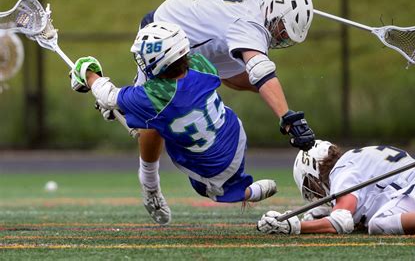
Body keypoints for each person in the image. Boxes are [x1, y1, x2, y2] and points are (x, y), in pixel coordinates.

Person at [129, 0, 317, 224]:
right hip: (164, 40)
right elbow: (261, 70)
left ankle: (127, 104)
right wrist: (287, 118)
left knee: (245, 78)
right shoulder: (250, 23)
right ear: (273, 10)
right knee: (155, 117)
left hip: (200, 46)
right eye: (280, 28)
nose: (279, 36)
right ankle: (149, 183)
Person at [71, 21, 278, 224]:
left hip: (215, 165)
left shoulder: (156, 97)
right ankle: (150, 186)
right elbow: (163, 102)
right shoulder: (200, 64)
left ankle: (250, 192)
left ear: (159, 61)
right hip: (231, 132)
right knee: (159, 118)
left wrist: (88, 73)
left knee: (215, 191)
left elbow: (109, 96)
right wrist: (123, 108)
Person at [256, 141, 415, 235]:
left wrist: (294, 227)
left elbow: (341, 221)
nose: (313, 193)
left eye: (309, 185)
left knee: (380, 224)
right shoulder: (354, 164)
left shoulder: (341, 172)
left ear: (312, 171)